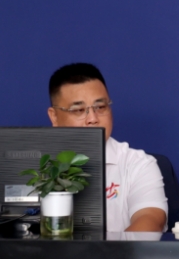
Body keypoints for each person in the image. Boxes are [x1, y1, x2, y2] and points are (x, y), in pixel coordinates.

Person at [46, 63, 168, 233]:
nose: (92, 119)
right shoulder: (36, 165)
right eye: (79, 110)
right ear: (54, 117)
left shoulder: (138, 164)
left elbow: (150, 220)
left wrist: (106, 251)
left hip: (120, 252)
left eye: (100, 107)